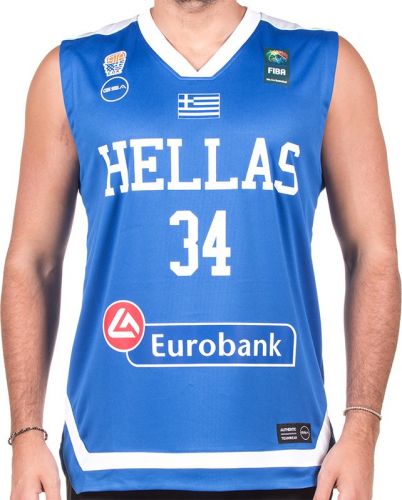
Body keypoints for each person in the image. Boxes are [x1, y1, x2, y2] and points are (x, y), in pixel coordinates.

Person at [1, 0, 400, 499]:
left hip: (285, 456)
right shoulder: (73, 72)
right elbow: (31, 261)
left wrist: (363, 428)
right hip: (111, 456)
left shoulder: (325, 66)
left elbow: (374, 254)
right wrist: (26, 434)